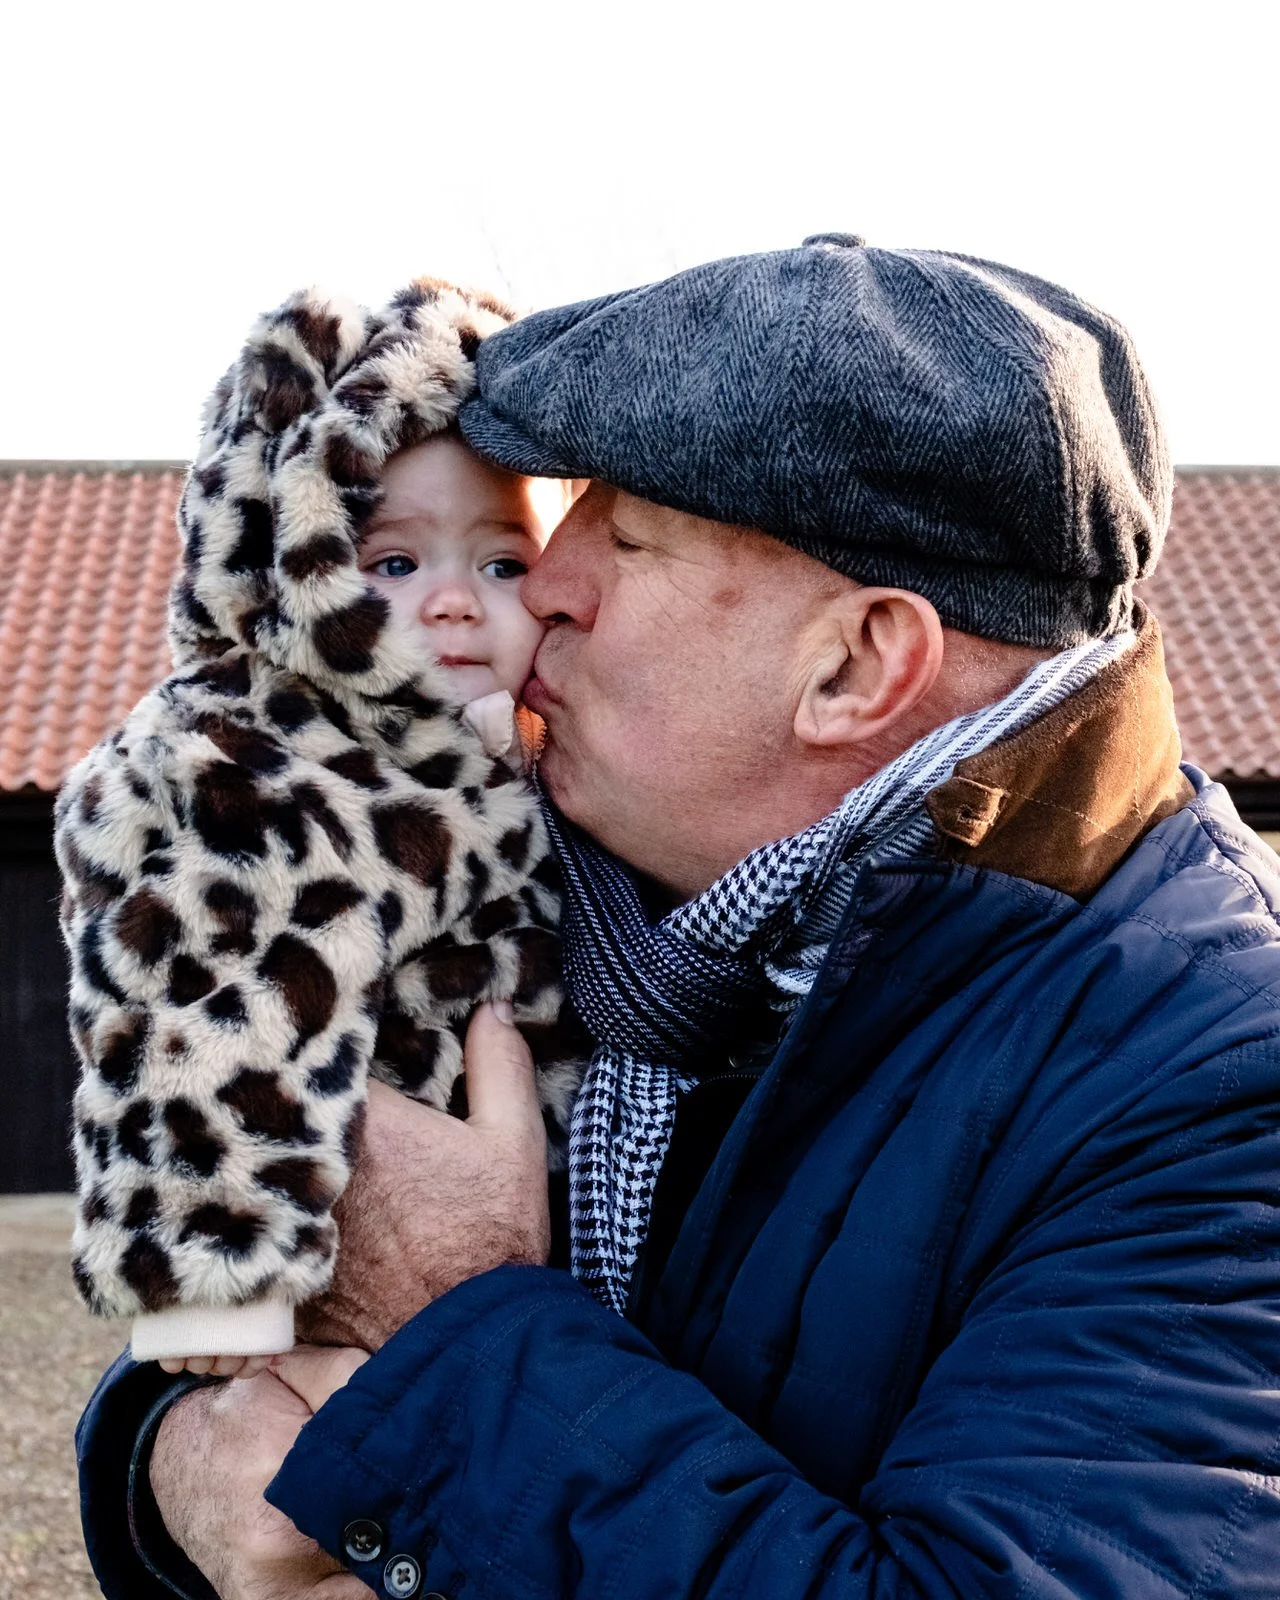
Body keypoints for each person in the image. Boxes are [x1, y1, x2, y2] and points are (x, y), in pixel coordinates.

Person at [78, 236, 1280, 1598]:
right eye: (567, 517)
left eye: (631, 536)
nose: (548, 591)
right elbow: (239, 1340)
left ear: (855, 665)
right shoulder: (601, 875)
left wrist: (458, 1327)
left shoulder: (1218, 1088)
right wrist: (172, 1468)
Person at [55, 277, 581, 1378]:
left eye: (502, 563)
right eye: (391, 563)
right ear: (283, 568)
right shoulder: (246, 762)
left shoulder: (519, 763)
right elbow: (193, 1012)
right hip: (314, 1278)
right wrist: (213, 1286)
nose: (451, 602)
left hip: (521, 1264)